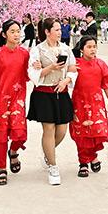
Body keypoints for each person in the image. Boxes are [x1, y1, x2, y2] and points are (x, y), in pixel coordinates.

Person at [27, 18, 77, 186]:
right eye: (55, 29)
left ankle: (48, 154)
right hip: (43, 93)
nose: (59, 31)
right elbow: (33, 73)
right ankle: (53, 166)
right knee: (48, 128)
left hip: (61, 92)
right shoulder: (37, 50)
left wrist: (66, 81)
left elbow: (72, 69)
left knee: (62, 130)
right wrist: (50, 68)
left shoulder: (66, 49)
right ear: (47, 32)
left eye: (59, 29)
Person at [0, 20, 31, 186]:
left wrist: (38, 66)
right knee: (1, 135)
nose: (16, 34)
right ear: (4, 34)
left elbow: (31, 73)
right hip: (0, 99)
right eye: (12, 31)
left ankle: (14, 151)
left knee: (19, 133)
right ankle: (2, 168)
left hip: (18, 99)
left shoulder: (25, 54)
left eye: (18, 31)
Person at [70, 35, 108, 177]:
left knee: (97, 130)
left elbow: (106, 84)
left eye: (94, 46)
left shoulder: (100, 64)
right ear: (82, 49)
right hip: (79, 103)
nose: (92, 49)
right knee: (81, 133)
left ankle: (93, 155)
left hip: (97, 103)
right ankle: (83, 162)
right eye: (89, 47)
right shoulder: (75, 64)